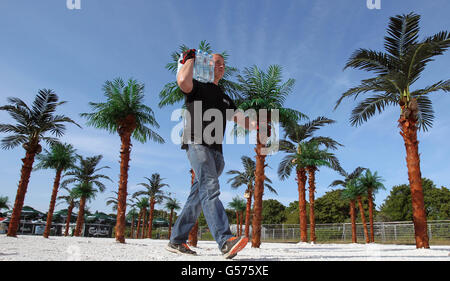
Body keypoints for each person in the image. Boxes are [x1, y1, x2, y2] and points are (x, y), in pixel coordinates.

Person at [166, 49, 256, 259]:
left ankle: (176, 240)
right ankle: (225, 241)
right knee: (210, 189)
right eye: (216, 63)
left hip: (217, 154)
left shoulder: (224, 97)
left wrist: (258, 125)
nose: (220, 67)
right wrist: (189, 59)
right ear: (205, 65)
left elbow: (241, 119)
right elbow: (182, 81)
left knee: (197, 199)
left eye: (223, 64)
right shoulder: (197, 86)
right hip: (197, 143)